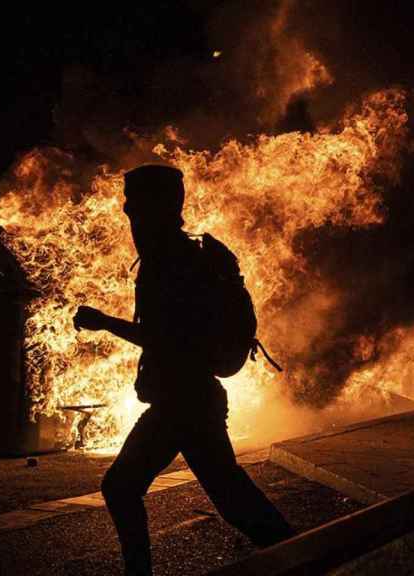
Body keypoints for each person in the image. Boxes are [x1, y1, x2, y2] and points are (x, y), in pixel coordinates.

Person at [73, 164, 293, 575]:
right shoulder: (179, 255)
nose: (128, 213)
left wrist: (104, 321)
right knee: (230, 497)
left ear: (156, 207)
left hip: (183, 401)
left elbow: (162, 338)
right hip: (191, 399)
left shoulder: (170, 261)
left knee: (122, 487)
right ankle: (303, 553)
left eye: (134, 205)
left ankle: (305, 555)